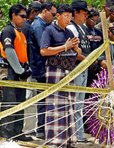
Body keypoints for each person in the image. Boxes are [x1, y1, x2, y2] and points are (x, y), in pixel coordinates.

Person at [40, 4, 81, 147]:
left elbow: (78, 54)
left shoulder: (69, 32)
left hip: (69, 71)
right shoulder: (49, 30)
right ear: (58, 16)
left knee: (69, 105)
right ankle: (55, 141)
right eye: (66, 16)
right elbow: (44, 51)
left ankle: (69, 140)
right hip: (54, 70)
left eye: (70, 16)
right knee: (55, 106)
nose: (68, 19)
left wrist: (76, 47)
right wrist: (65, 47)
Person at [0, 4, 33, 141]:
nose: (25, 19)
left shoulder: (20, 32)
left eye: (26, 16)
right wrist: (19, 70)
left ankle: (17, 133)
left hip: (20, 72)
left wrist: (26, 69)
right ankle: (6, 135)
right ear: (13, 15)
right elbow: (9, 51)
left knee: (20, 103)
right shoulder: (8, 30)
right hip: (10, 71)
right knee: (10, 103)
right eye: (22, 16)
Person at [29, 1, 57, 138]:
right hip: (41, 67)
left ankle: (44, 128)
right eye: (52, 14)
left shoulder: (44, 25)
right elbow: (44, 47)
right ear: (45, 11)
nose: (53, 17)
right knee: (43, 100)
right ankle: (41, 129)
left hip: (44, 66)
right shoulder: (39, 26)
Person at [67, 0, 91, 142]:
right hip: (77, 67)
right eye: (83, 13)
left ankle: (79, 133)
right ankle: (76, 134)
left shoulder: (82, 28)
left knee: (80, 103)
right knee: (76, 102)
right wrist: (88, 60)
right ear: (75, 13)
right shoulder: (72, 28)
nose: (85, 17)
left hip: (83, 67)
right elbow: (74, 51)